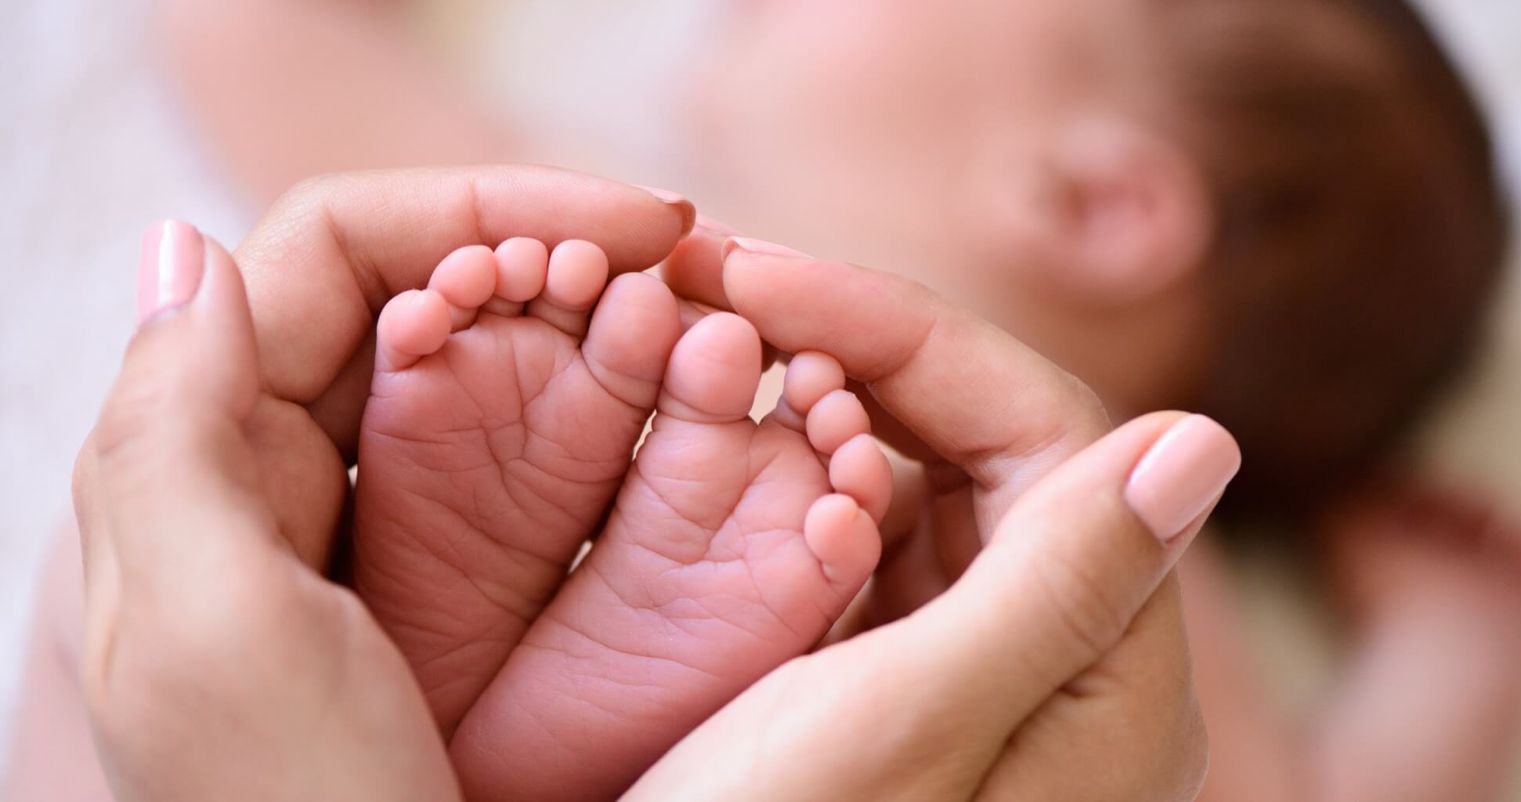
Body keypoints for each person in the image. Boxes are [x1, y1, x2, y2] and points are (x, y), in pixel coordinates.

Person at [150, 0, 1521, 797]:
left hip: (299, 726)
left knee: (172, 548)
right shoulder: (1135, 569)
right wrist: (1448, 658)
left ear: (1096, 200)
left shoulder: (642, 250)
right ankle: (555, 698)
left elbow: (331, 126)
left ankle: (498, 667)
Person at [9, 166, 1238, 800]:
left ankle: (414, 706)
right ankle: (532, 751)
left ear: (1099, 202)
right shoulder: (1160, 620)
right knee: (157, 589)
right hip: (816, 716)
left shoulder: (660, 232)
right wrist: (1433, 649)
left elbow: (287, 59)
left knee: (137, 580)